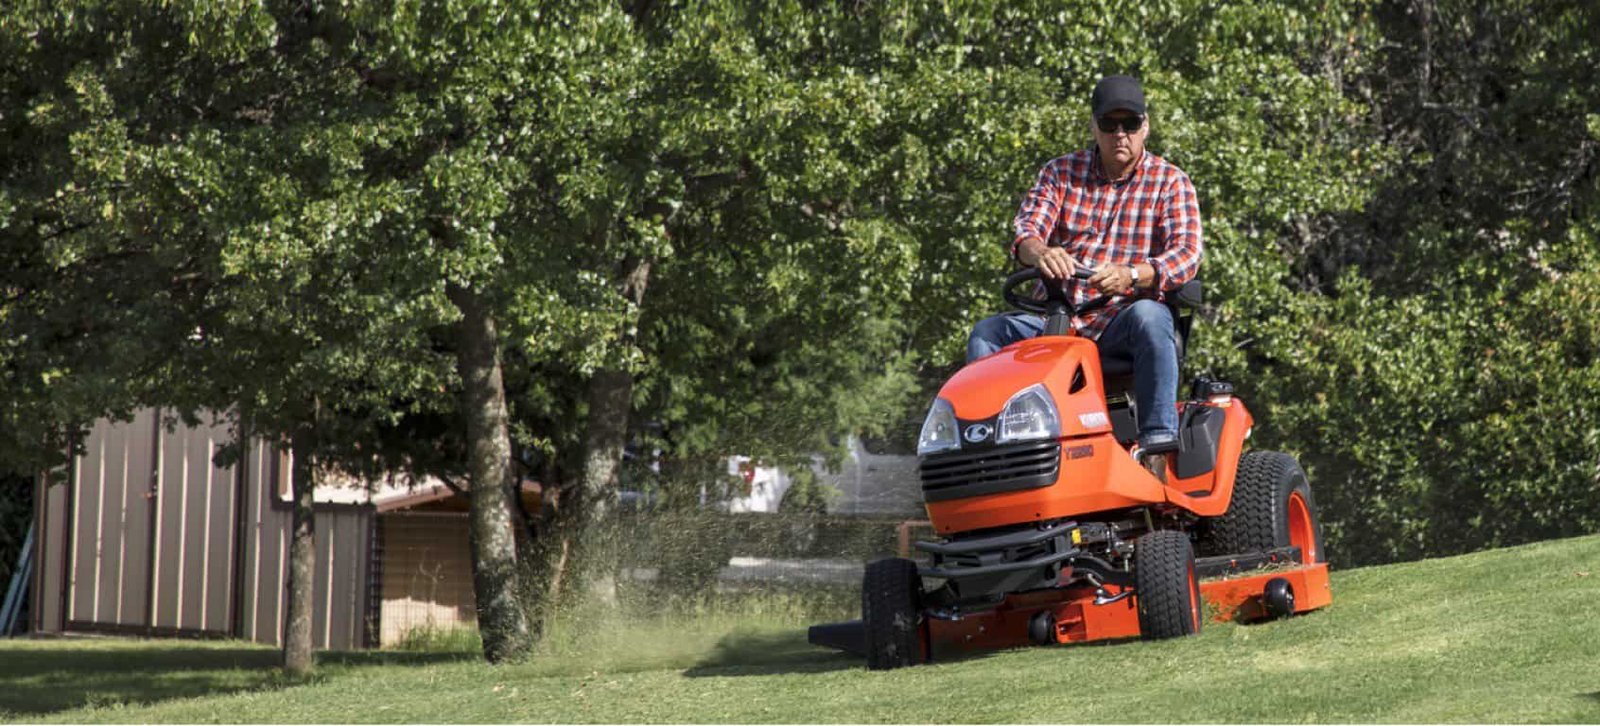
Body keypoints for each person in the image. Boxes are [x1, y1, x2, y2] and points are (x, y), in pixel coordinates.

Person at [967, 74, 1202, 479]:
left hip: (1119, 320)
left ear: (1145, 126)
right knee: (986, 334)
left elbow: (1186, 255)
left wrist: (1132, 274)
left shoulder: (1170, 182)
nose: (1120, 135)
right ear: (1094, 126)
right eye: (1109, 125)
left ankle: (1156, 445)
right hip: (1055, 320)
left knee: (1152, 317)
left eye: (1129, 124)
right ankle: (994, 453)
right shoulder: (1060, 173)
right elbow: (1026, 233)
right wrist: (1043, 253)